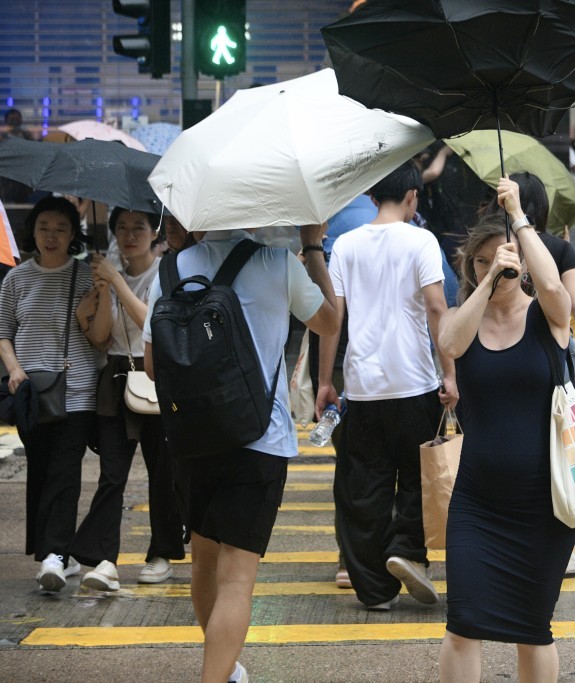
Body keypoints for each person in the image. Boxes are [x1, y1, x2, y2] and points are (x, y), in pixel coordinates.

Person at [142, 221, 340, 683]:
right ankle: (218, 675)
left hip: (192, 439)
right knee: (236, 580)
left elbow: (153, 366)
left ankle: (225, 670)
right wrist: (312, 246)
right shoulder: (276, 263)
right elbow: (330, 321)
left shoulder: (170, 270)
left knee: (204, 564)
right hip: (258, 439)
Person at [436, 178, 574, 682]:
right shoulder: (464, 318)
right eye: (481, 260)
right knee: (462, 624)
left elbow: (555, 288)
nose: (494, 266)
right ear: (470, 266)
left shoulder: (549, 317)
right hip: (477, 503)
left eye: (505, 257)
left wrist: (518, 216)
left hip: (544, 505)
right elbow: (450, 345)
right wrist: (488, 280)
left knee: (532, 628)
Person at [315, 161, 457, 611]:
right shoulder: (421, 240)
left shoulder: (345, 245)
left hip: (361, 388)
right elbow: (436, 308)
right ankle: (407, 550)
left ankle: (374, 590)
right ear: (413, 196)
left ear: (372, 197)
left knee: (362, 488)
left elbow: (332, 318)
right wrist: (449, 372)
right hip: (415, 384)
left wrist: (325, 380)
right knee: (419, 478)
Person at [66, 208, 184, 591]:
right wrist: (104, 290)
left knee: (163, 473)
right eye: (122, 228)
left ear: (155, 233)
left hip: (155, 377)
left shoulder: (166, 273)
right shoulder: (110, 274)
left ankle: (161, 554)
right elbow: (102, 338)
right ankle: (104, 559)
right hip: (116, 378)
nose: (130, 236)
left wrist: (116, 281)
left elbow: (154, 325)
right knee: (111, 472)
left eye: (138, 228)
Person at [0, 196, 100, 592]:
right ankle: (57, 553)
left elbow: (100, 333)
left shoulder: (87, 276)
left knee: (65, 471)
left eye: (60, 229)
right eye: (44, 227)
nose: (51, 236)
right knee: (41, 472)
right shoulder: (16, 279)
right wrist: (14, 370)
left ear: (74, 233)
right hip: (31, 393)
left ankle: (54, 555)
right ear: (33, 231)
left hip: (77, 391)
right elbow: (3, 332)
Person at [508, 171, 575, 425]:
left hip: (502, 348)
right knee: (572, 417)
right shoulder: (559, 248)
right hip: (551, 354)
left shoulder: (494, 247)